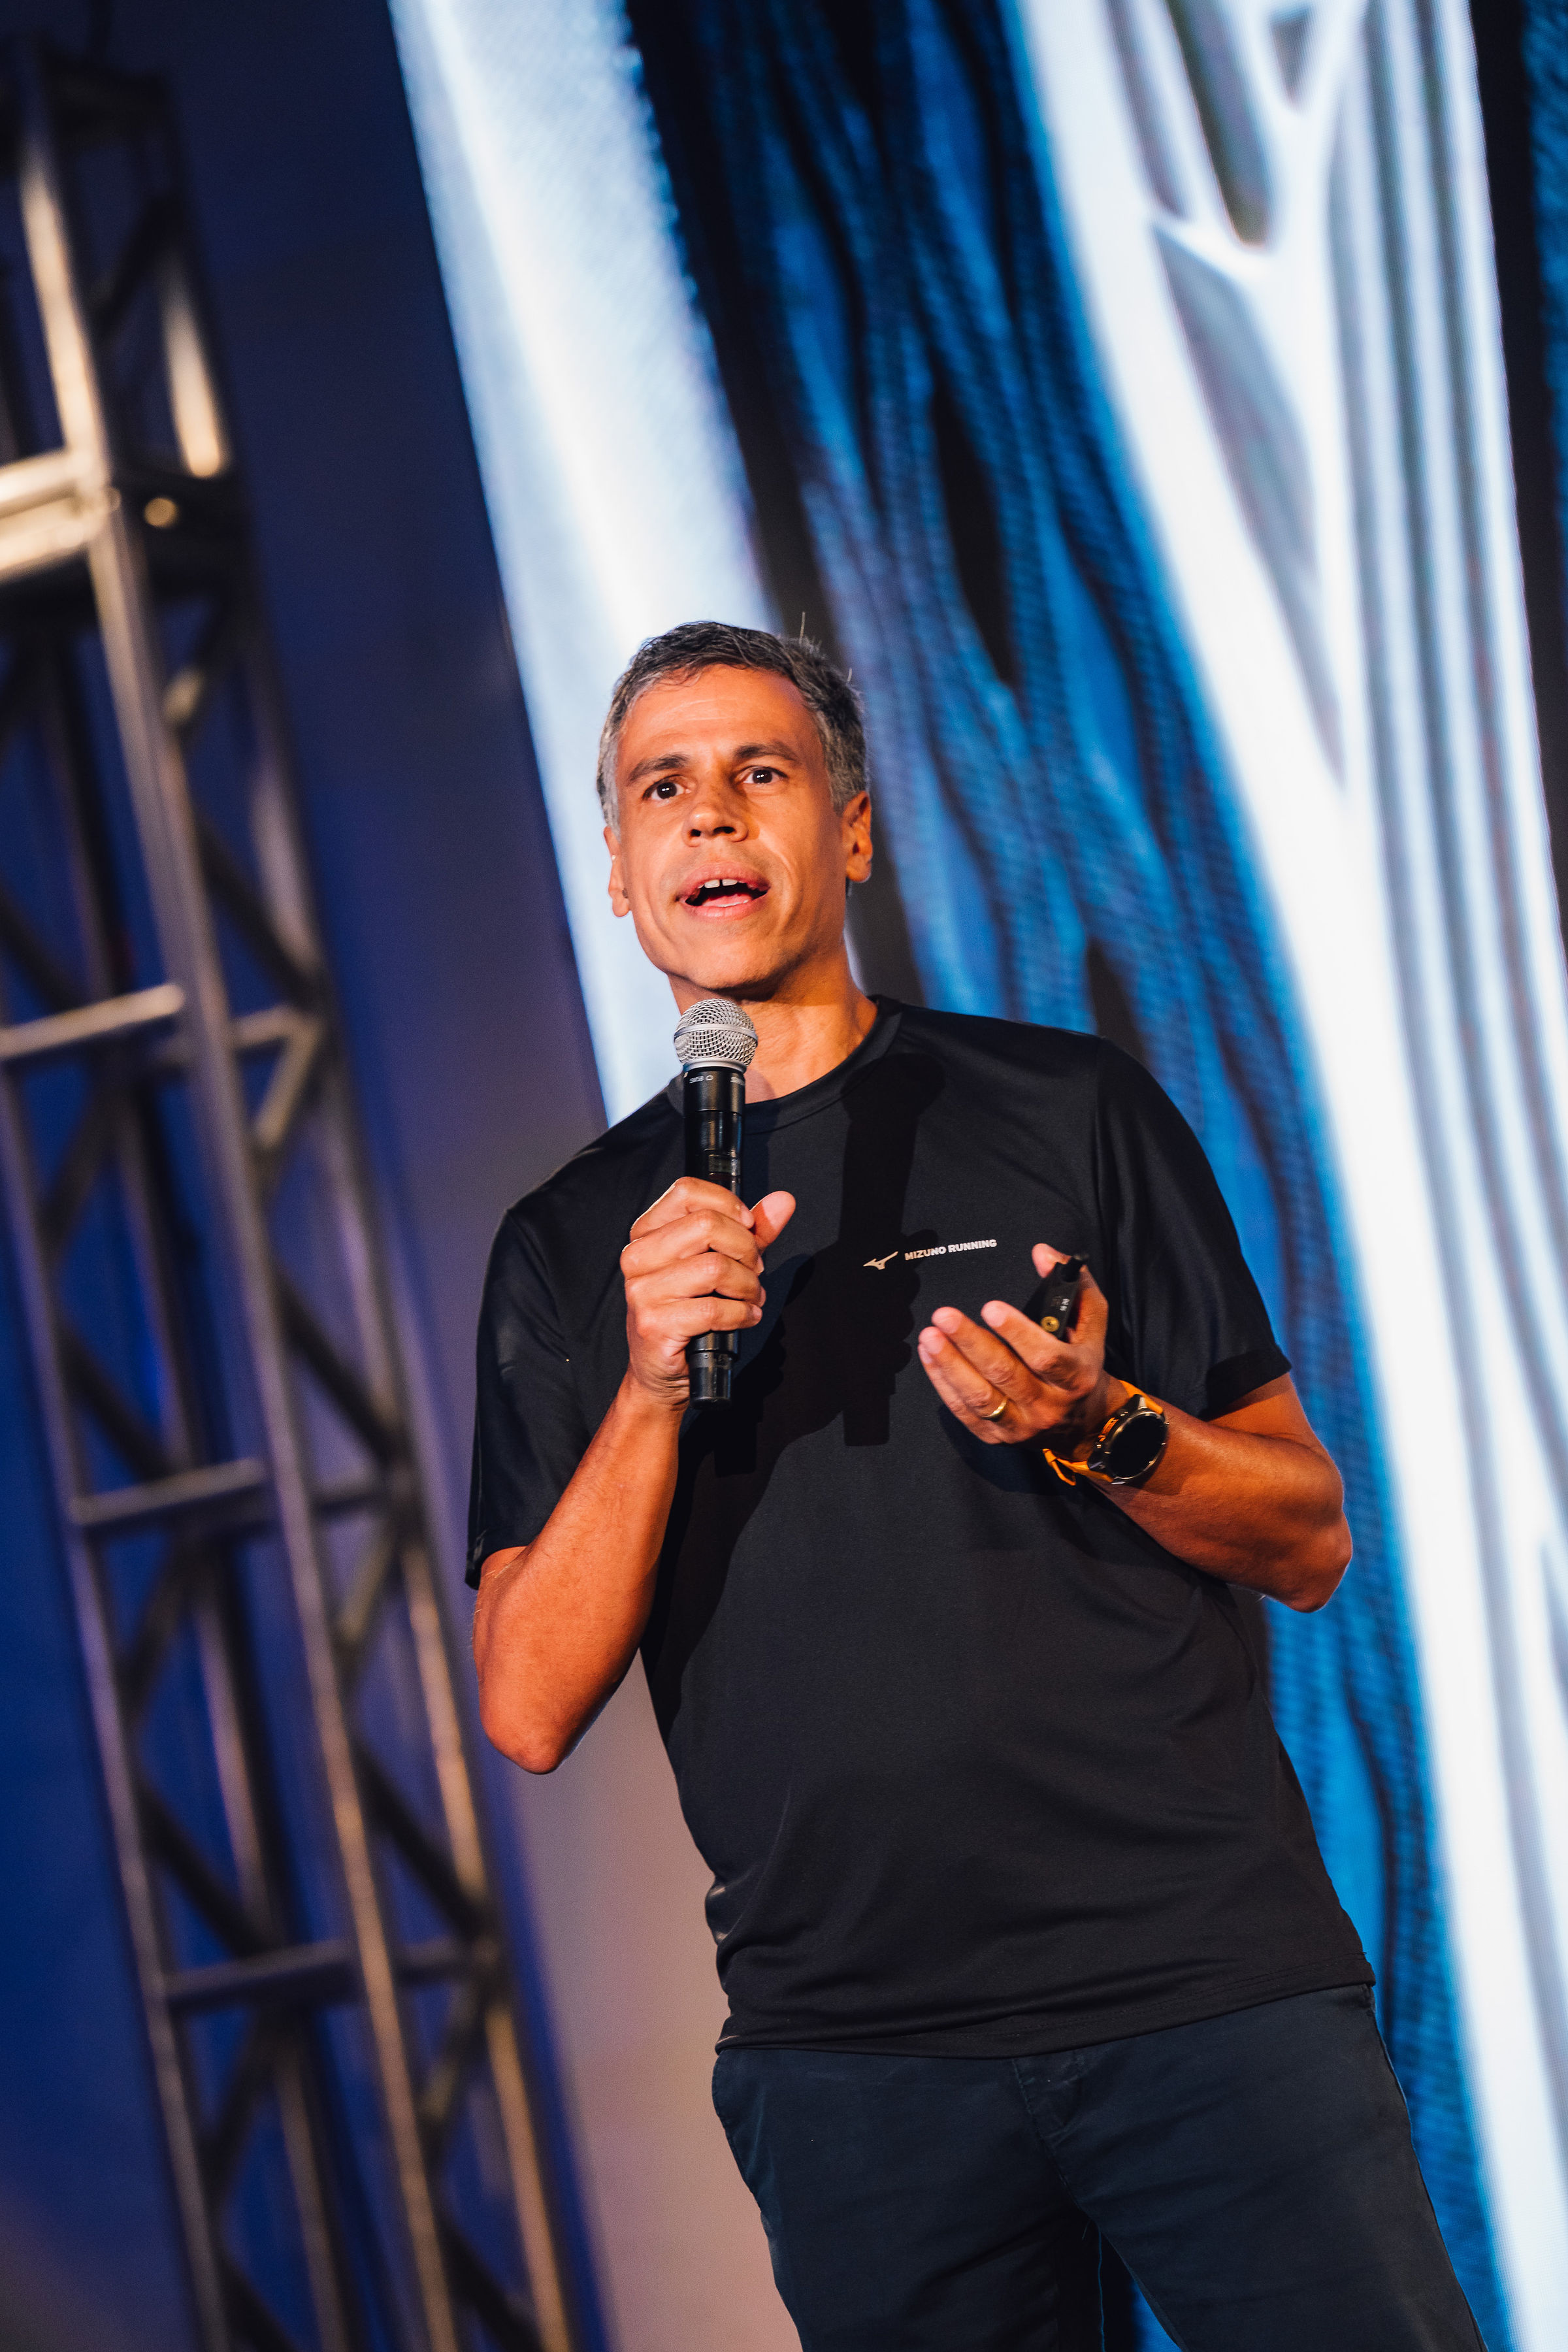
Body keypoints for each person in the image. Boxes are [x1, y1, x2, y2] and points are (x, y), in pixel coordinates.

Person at [469, 622, 1483, 2350]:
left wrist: (1102, 1424)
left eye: (763, 771)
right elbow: (526, 1702)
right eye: (662, 788)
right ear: (625, 875)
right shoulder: (574, 1251)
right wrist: (649, 1390)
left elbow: (1308, 1537)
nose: (712, 814)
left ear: (853, 830)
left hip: (1201, 1987)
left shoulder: (1069, 1109)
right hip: (857, 2066)